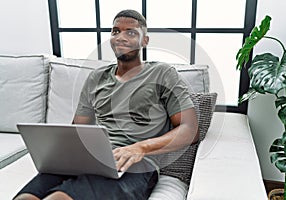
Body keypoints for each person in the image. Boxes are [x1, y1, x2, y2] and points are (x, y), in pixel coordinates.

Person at [14, 9, 198, 200]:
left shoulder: (163, 74)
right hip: (88, 160)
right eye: (116, 31)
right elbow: (78, 129)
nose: (121, 37)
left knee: (60, 198)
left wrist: (140, 148)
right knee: (26, 197)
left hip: (137, 165)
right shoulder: (96, 78)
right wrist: (58, 154)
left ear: (145, 41)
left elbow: (190, 130)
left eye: (131, 32)